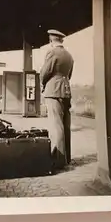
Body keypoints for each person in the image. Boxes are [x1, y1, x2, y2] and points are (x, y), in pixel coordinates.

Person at [40, 29, 74, 170]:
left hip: (53, 90)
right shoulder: (69, 55)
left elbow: (45, 72)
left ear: (51, 39)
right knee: (65, 125)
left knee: (56, 125)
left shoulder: (52, 52)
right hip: (66, 90)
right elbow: (69, 75)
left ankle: (58, 159)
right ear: (61, 40)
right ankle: (67, 158)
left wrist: (43, 84)